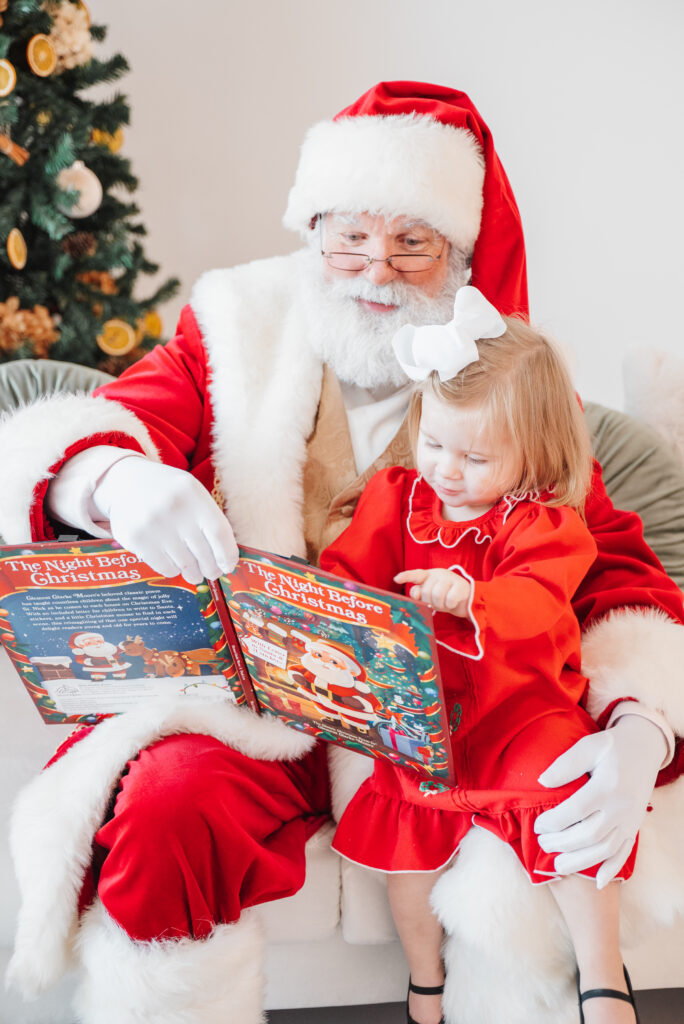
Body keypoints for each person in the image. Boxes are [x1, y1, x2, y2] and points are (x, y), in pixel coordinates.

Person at [2, 82, 683, 1024]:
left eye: (414, 242)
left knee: (526, 836)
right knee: (165, 804)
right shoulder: (235, 326)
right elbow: (119, 419)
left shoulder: (509, 379)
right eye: (350, 236)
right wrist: (110, 479)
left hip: (461, 721)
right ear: (312, 226)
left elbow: (611, 569)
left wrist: (643, 727)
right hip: (261, 711)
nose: (376, 269)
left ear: (461, 254)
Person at [321, 286, 642, 1024]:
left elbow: (538, 598)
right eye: (434, 443)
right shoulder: (397, 499)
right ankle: (425, 979)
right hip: (426, 714)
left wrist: (471, 598)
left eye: (475, 457)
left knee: (568, 804)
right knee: (407, 854)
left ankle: (602, 976)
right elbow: (346, 574)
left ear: (534, 454)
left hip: (521, 708)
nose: (447, 470)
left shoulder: (545, 522)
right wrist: (335, 610)